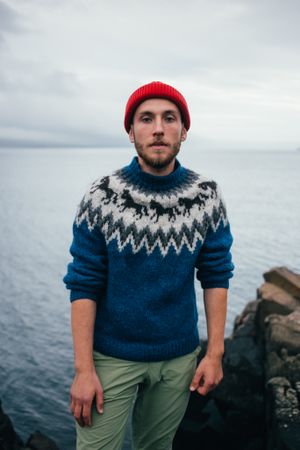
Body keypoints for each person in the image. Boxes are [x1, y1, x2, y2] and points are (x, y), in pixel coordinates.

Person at [63, 81, 234, 450]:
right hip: (111, 358)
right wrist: (83, 370)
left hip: (178, 359)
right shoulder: (102, 197)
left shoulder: (206, 196)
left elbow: (216, 272)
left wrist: (214, 353)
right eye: (146, 118)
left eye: (169, 118)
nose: (158, 128)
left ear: (183, 131)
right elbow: (84, 281)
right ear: (130, 131)